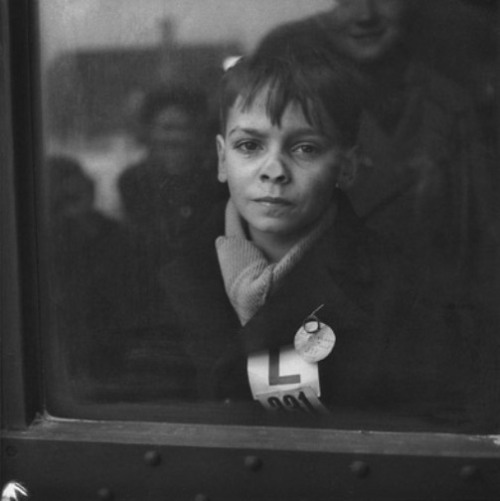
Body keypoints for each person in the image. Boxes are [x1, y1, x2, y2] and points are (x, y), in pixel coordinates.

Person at [160, 48, 480, 427]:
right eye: (249, 146)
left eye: (305, 148)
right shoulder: (167, 276)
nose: (274, 171)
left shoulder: (404, 291)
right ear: (220, 159)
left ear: (346, 167)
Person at [118, 85, 219, 268]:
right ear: (150, 132)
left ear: (197, 134)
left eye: (184, 128)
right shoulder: (133, 181)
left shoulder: (216, 181)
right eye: (167, 128)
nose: (175, 138)